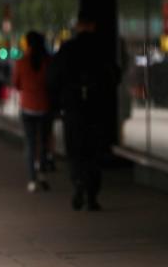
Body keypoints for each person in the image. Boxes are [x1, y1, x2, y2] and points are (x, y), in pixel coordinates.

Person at [49, 11, 120, 212]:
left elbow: (53, 78)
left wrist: (58, 103)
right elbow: (114, 75)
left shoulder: (67, 49)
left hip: (73, 108)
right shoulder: (102, 49)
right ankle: (92, 194)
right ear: (93, 26)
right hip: (97, 108)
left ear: (78, 26)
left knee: (76, 150)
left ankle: (78, 181)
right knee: (93, 152)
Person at [11, 31, 52, 193]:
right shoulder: (48, 61)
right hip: (45, 106)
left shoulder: (21, 62)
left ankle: (32, 179)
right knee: (43, 142)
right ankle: (42, 173)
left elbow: (16, 84)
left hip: (28, 107)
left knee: (30, 143)